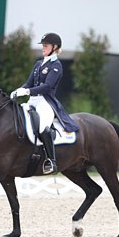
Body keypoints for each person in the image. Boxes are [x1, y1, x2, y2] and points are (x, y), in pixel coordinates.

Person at [10, 33, 79, 174]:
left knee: (43, 127)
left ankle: (51, 161)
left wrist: (27, 91)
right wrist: (20, 89)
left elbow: (47, 86)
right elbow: (29, 83)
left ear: (55, 47)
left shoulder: (56, 65)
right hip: (32, 101)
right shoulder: (38, 64)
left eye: (46, 45)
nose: (43, 48)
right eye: (43, 45)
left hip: (46, 102)